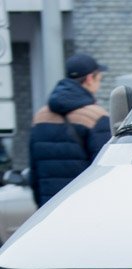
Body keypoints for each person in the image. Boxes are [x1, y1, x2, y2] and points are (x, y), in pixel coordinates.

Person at [28, 54, 112, 207]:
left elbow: (34, 173)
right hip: (84, 207)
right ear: (89, 79)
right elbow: (104, 171)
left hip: (49, 210)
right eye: (99, 79)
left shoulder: (40, 117)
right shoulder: (96, 117)